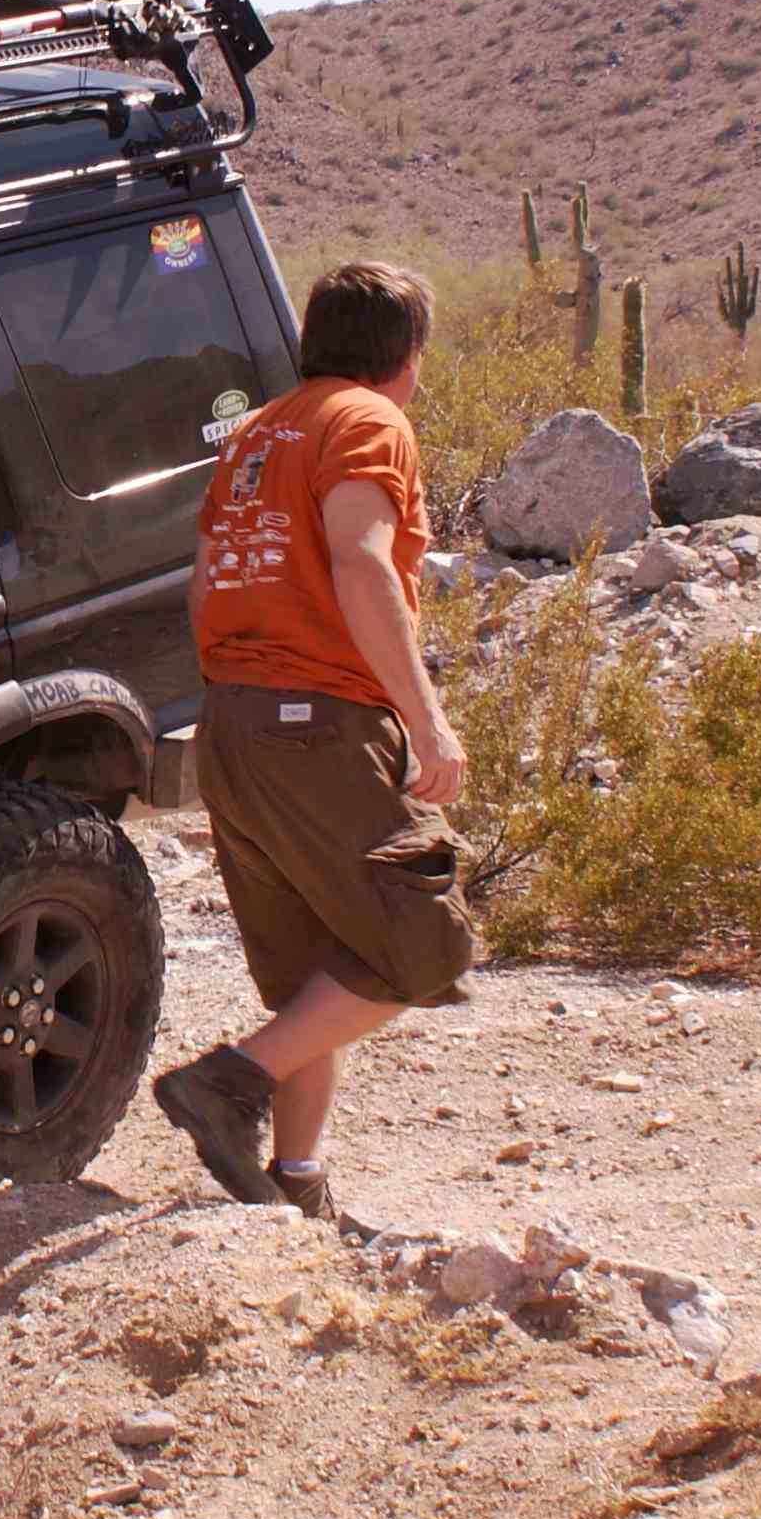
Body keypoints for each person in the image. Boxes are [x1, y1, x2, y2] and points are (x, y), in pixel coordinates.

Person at [151, 259, 472, 1220]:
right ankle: (225, 1084)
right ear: (404, 354)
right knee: (426, 945)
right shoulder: (368, 420)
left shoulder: (257, 432)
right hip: (319, 724)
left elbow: (205, 582)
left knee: (314, 982)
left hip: (233, 722)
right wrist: (425, 720)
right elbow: (364, 565)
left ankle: (296, 1184)